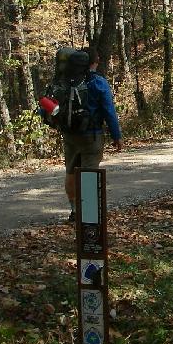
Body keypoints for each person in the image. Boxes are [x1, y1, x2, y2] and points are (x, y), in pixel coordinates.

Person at [63, 47, 123, 222]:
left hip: (70, 135)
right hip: (92, 135)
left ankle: (74, 210)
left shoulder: (67, 82)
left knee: (71, 172)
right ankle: (88, 217)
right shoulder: (98, 82)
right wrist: (116, 135)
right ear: (94, 62)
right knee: (89, 173)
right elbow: (108, 111)